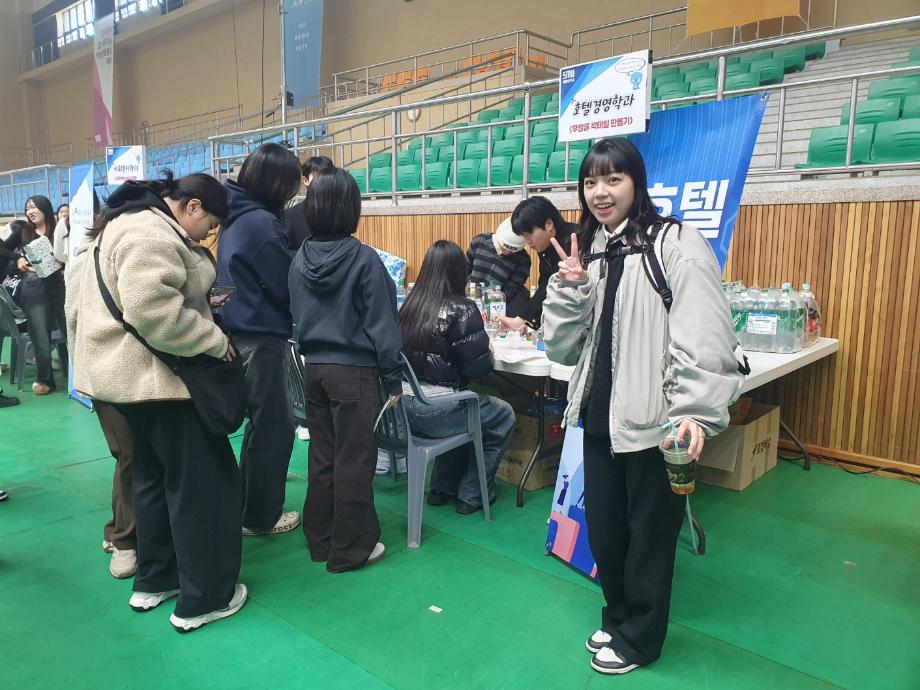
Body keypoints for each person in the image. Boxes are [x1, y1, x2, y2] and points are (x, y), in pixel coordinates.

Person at [542, 138, 742, 675]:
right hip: (599, 417)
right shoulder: (592, 251)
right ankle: (617, 618)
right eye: (590, 182)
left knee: (650, 539)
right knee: (606, 533)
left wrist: (693, 410)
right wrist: (569, 289)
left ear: (637, 182)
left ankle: (641, 640)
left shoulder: (674, 243)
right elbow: (561, 348)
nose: (600, 192)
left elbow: (704, 332)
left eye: (614, 179)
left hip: (656, 423)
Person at [67, 171, 247, 632]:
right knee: (202, 485)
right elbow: (152, 311)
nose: (208, 234)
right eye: (209, 224)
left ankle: (156, 578)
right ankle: (204, 598)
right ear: (191, 206)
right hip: (160, 383)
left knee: (150, 479)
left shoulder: (117, 225)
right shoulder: (148, 231)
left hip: (122, 383)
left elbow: (78, 306)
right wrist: (213, 340)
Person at [288, 168, 402, 573]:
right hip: (353, 373)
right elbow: (383, 327)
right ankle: (350, 549)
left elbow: (296, 313)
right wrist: (392, 377)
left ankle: (320, 540)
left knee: (322, 456)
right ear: (352, 209)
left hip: (314, 370)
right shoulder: (364, 259)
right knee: (354, 460)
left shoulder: (299, 258)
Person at [217, 143, 302, 537]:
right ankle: (261, 517)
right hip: (260, 337)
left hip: (239, 331)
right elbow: (286, 286)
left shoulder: (237, 217)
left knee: (261, 424)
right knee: (275, 429)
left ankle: (246, 506)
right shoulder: (261, 225)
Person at [399, 240, 516, 514]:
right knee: (502, 415)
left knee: (460, 403)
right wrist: (487, 352)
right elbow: (477, 370)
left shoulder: (409, 305)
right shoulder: (462, 308)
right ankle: (472, 494)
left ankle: (442, 488)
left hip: (403, 411)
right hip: (436, 413)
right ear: (459, 272)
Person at [5, 196, 66, 395]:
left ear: (45, 208)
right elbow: (2, 248)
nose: (30, 211)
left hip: (61, 286)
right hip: (34, 288)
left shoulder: (59, 229)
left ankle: (80, 376)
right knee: (40, 335)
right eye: (28, 208)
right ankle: (45, 379)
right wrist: (18, 259)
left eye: (34, 207)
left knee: (71, 330)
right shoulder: (24, 230)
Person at [499, 196, 577, 332]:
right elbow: (546, 285)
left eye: (529, 234)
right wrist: (527, 321)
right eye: (524, 236)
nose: (528, 241)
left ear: (549, 224)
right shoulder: (546, 244)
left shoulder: (574, 239)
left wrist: (523, 320)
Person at [465, 217, 530, 305]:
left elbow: (511, 291)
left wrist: (495, 298)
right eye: (505, 247)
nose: (508, 252)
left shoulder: (523, 260)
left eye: (512, 251)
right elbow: (464, 271)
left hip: (498, 306)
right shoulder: (480, 241)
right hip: (471, 301)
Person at [284, 155, 335, 250]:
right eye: (319, 176)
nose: (325, 180)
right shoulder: (290, 216)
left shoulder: (338, 211)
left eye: (328, 176)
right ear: (305, 180)